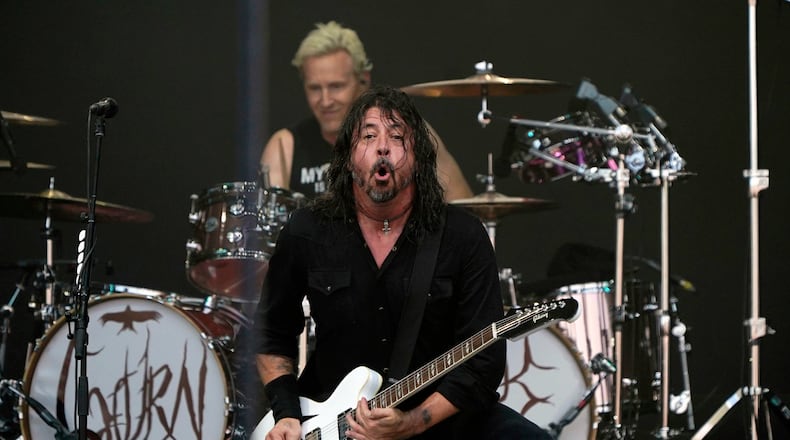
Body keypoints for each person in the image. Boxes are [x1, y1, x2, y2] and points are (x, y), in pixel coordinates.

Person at [254, 85, 549, 439]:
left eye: (397, 137)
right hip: (332, 422)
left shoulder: (462, 236)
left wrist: (410, 424)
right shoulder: (308, 230)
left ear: (418, 157)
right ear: (348, 156)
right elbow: (271, 334)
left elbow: (482, 365)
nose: (383, 146)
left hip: (438, 416)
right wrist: (287, 414)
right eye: (368, 135)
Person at [259, 21, 472, 201]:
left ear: (364, 80)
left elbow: (464, 209)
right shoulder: (284, 146)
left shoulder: (408, 132)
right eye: (315, 88)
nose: (325, 100)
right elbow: (266, 237)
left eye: (336, 86)